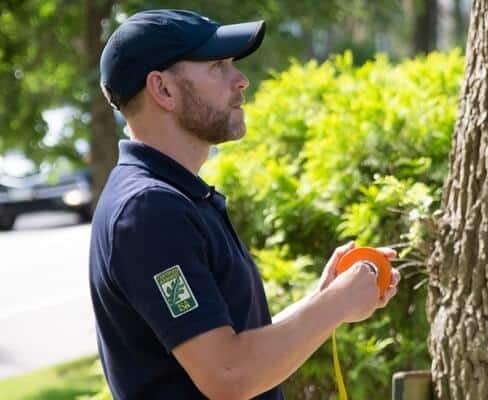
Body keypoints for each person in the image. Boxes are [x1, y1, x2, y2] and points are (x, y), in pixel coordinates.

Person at [89, 9, 400, 400]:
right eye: (218, 66)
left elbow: (238, 348)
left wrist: (323, 298)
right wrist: (336, 305)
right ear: (163, 90)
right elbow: (228, 375)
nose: (241, 80)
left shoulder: (176, 197)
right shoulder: (149, 211)